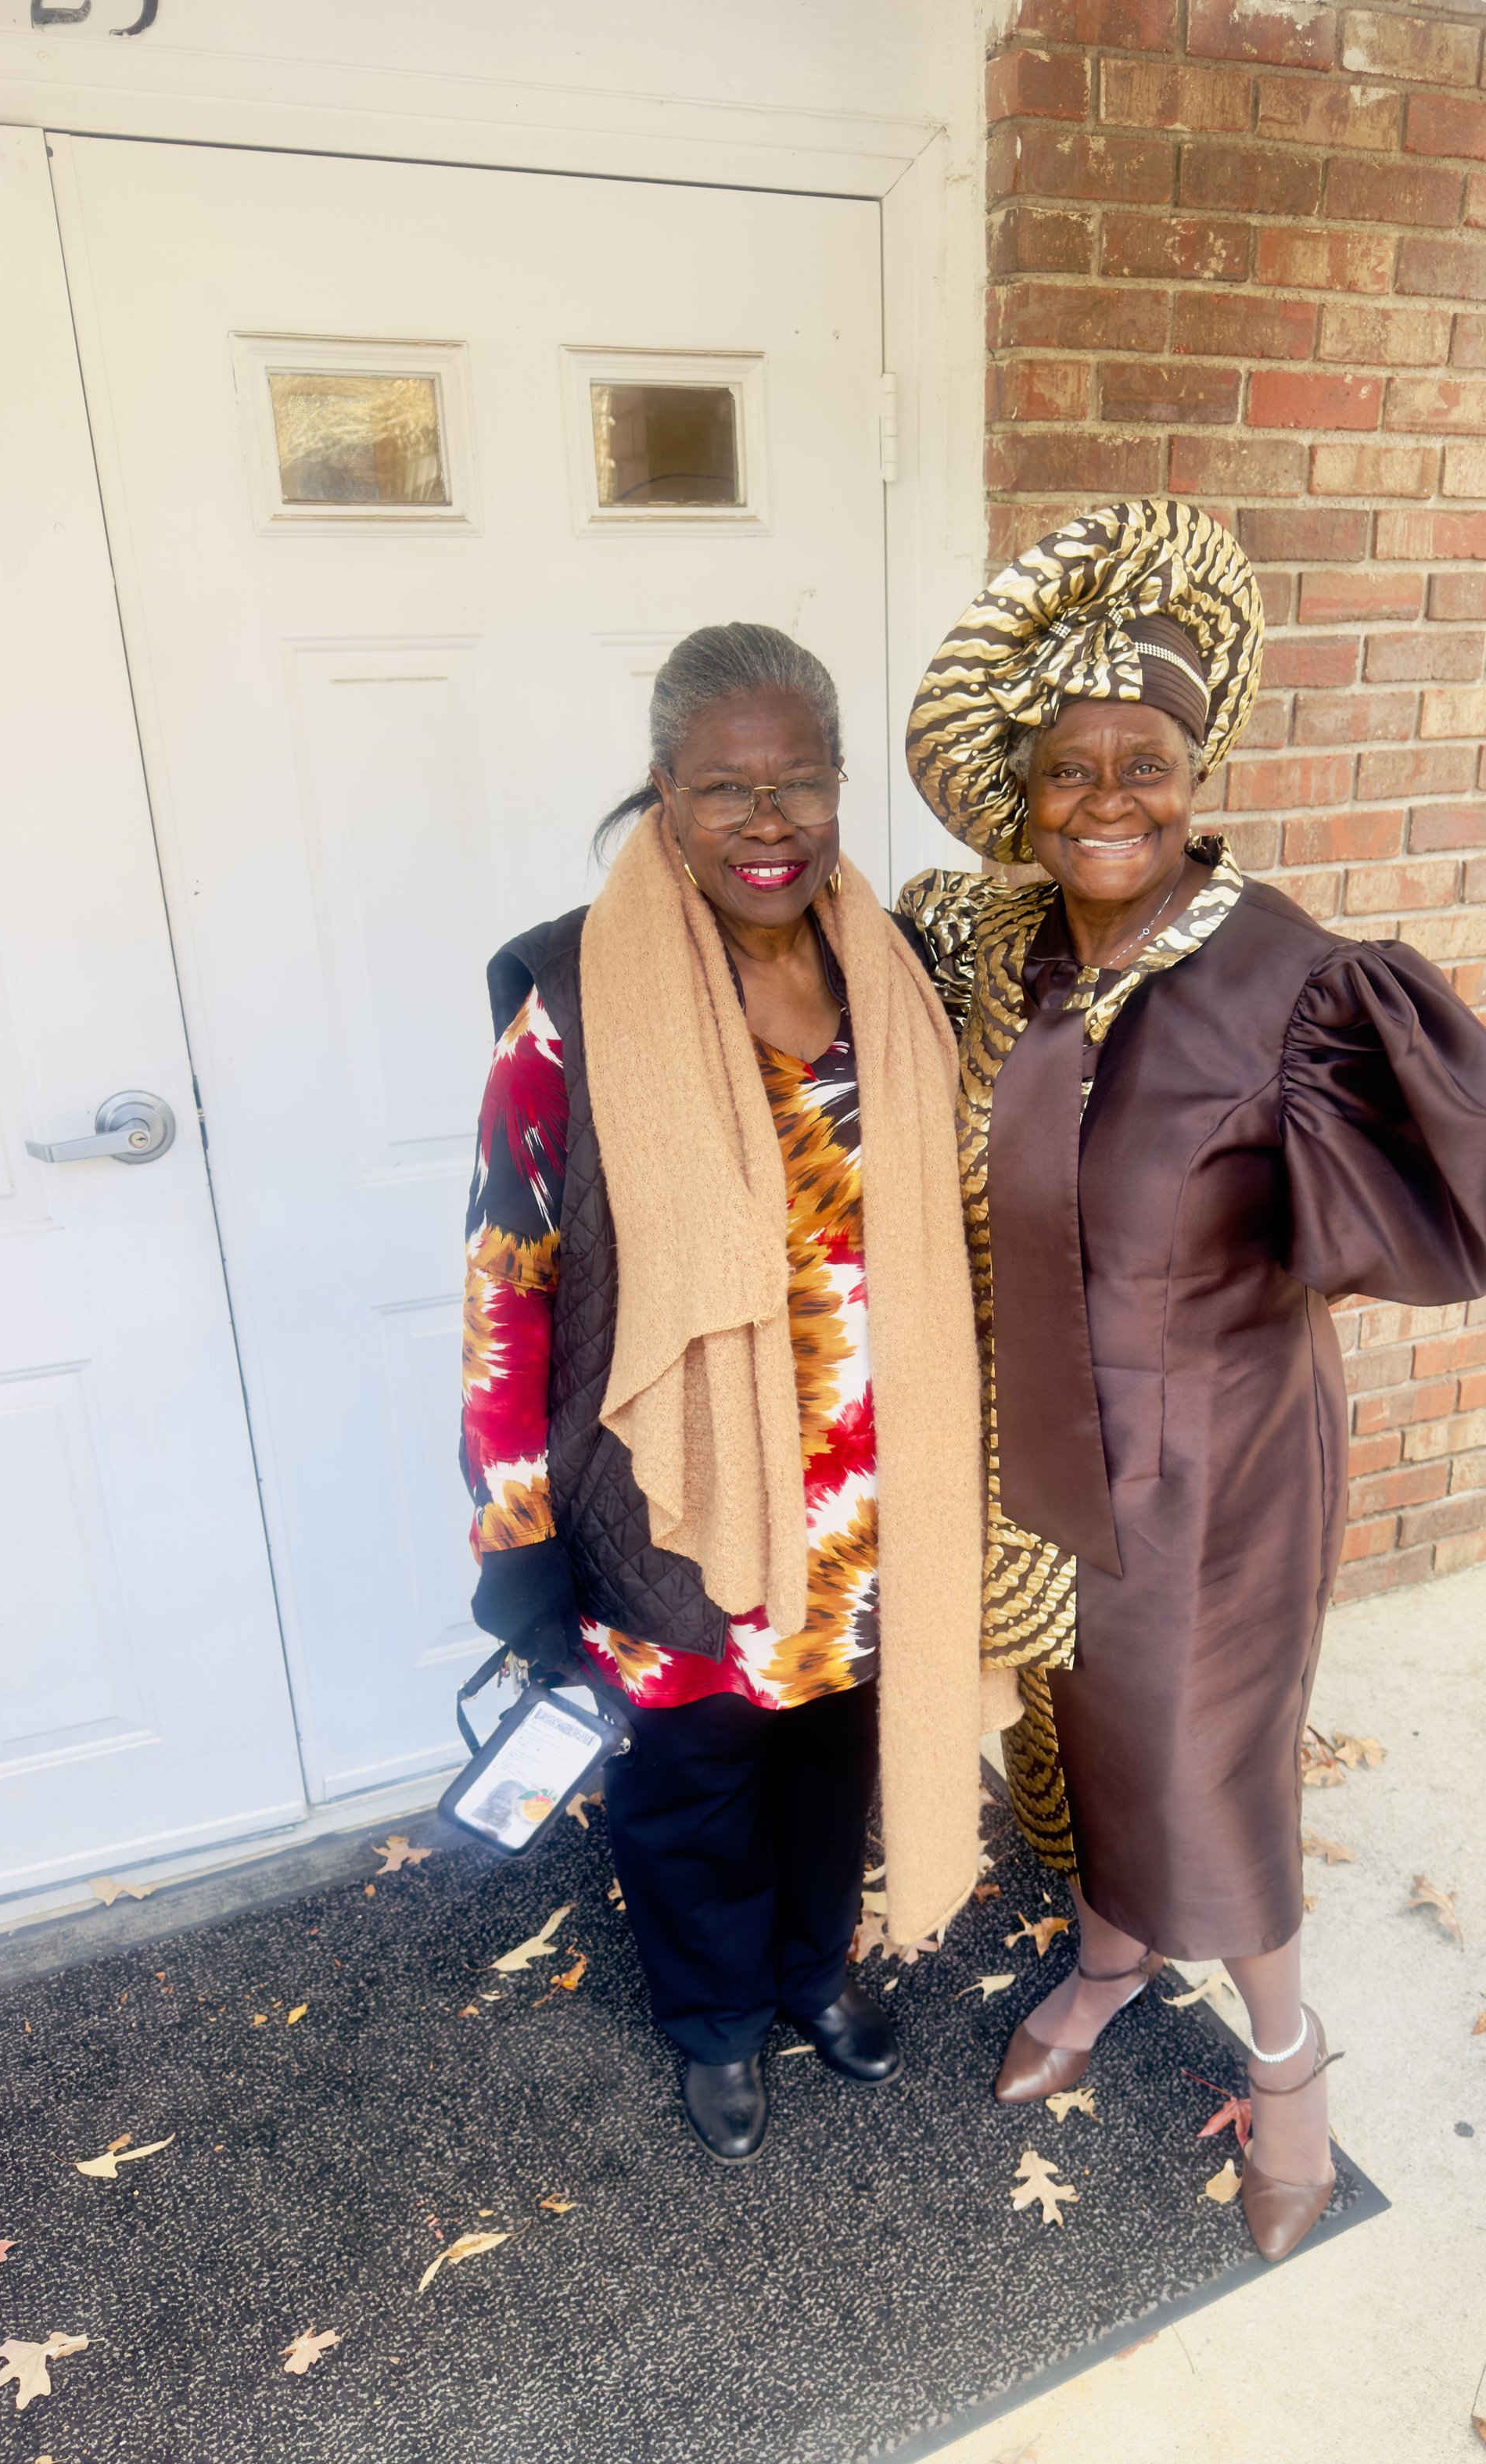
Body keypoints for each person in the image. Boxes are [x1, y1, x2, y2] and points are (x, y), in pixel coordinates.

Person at [897, 501, 1486, 2260]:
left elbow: (1449, 1215)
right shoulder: (1006, 952)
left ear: (1199, 770)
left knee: (1201, 1761)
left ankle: (1286, 2057)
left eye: (1147, 763)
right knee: (1074, 1724)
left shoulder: (1288, 982)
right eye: (1067, 768)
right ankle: (1111, 1956)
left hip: (1215, 1456)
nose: (1106, 798)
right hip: (1035, 1438)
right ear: (1021, 790)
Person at [461, 623, 992, 2163]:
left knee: (828, 1750)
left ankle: (808, 1972)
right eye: (724, 790)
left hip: (864, 1476)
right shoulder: (573, 990)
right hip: (673, 1469)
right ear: (663, 793)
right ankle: (710, 2018)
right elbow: (508, 1267)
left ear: (836, 786)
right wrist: (515, 1525)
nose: (768, 824)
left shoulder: (881, 961)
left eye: (799, 785)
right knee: (694, 1766)